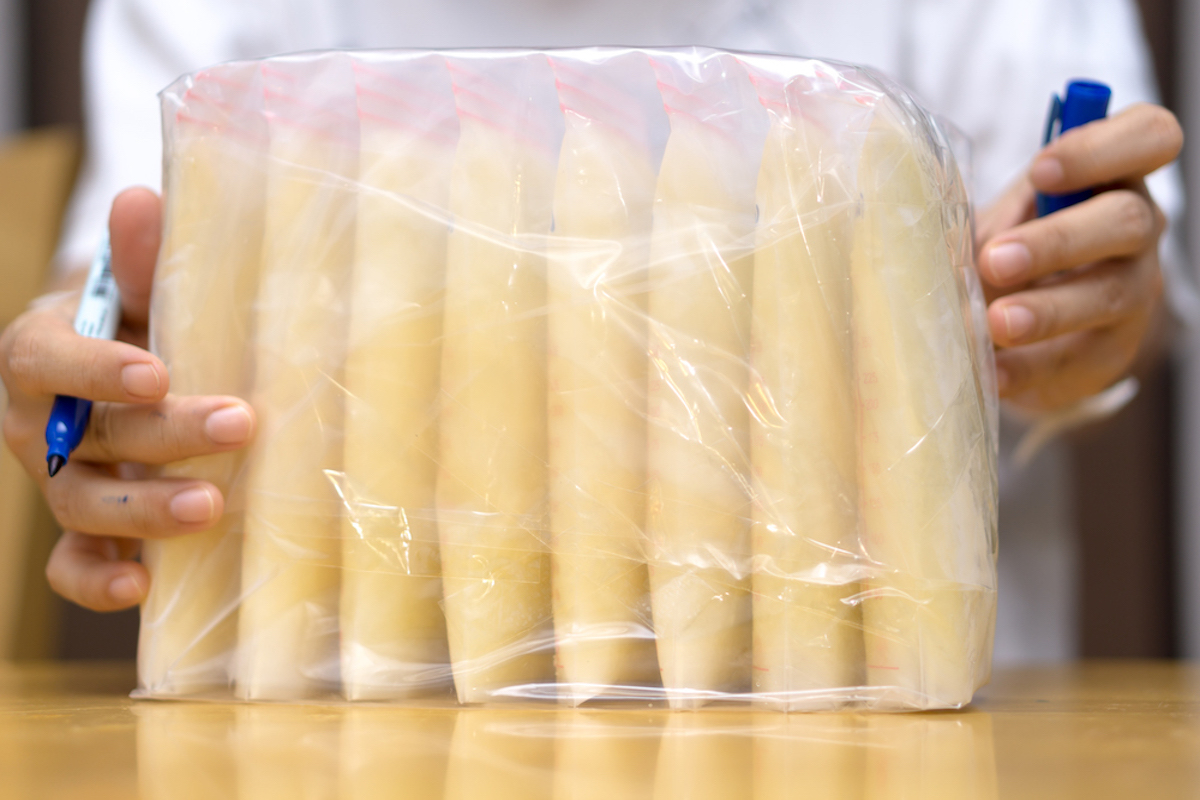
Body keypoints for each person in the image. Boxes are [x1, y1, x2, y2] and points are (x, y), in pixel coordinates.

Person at [0, 0, 1185, 662]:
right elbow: (123, 270)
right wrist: (102, 386)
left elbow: (1095, 262)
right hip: (338, 712)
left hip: (876, 715)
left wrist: (1063, 305)